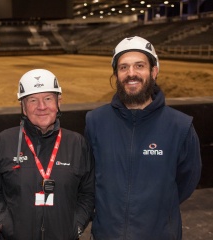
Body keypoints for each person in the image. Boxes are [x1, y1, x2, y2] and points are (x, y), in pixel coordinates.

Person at [85, 36, 202, 240]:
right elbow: (89, 176)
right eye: (124, 67)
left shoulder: (180, 126)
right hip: (107, 234)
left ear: (154, 71)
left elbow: (186, 181)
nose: (131, 74)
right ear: (116, 73)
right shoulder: (95, 121)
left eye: (139, 66)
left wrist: (158, 211)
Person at [0, 69, 94, 240]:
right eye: (33, 100)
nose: (42, 107)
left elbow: (88, 192)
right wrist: (6, 225)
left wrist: (75, 226)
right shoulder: (3, 142)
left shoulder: (77, 144)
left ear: (58, 102)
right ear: (23, 107)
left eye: (48, 98)